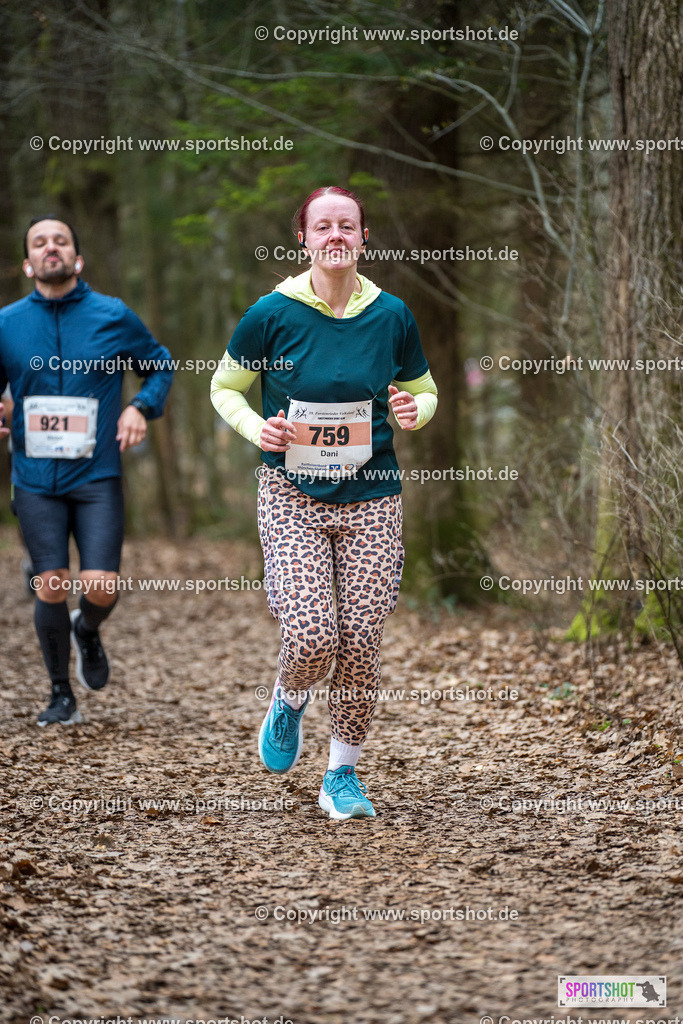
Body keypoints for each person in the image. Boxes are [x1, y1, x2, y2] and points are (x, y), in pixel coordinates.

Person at [211, 186, 437, 820]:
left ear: (363, 237)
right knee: (314, 634)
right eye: (323, 226)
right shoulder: (271, 313)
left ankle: (342, 773)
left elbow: (425, 391)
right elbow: (224, 386)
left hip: (373, 498)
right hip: (291, 494)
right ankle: (288, 701)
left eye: (348, 225)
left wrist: (414, 412)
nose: (336, 235)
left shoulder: (392, 315)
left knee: (361, 637)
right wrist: (260, 430)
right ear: (303, 238)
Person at [0, 216, 174, 727]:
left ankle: (88, 629)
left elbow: (160, 363)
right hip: (34, 477)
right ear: (28, 263)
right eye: (39, 242)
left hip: (96, 475)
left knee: (99, 585)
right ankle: (60, 695)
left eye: (61, 240)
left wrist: (140, 407)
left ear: (77, 259)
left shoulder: (112, 315)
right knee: (49, 582)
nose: (50, 247)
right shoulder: (7, 323)